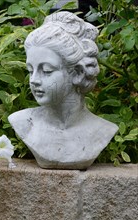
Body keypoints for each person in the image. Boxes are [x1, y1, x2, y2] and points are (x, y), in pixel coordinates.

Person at [8, 11, 118, 169]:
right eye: (31, 70)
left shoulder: (103, 131)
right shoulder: (22, 123)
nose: (34, 80)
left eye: (46, 71)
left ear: (78, 73)